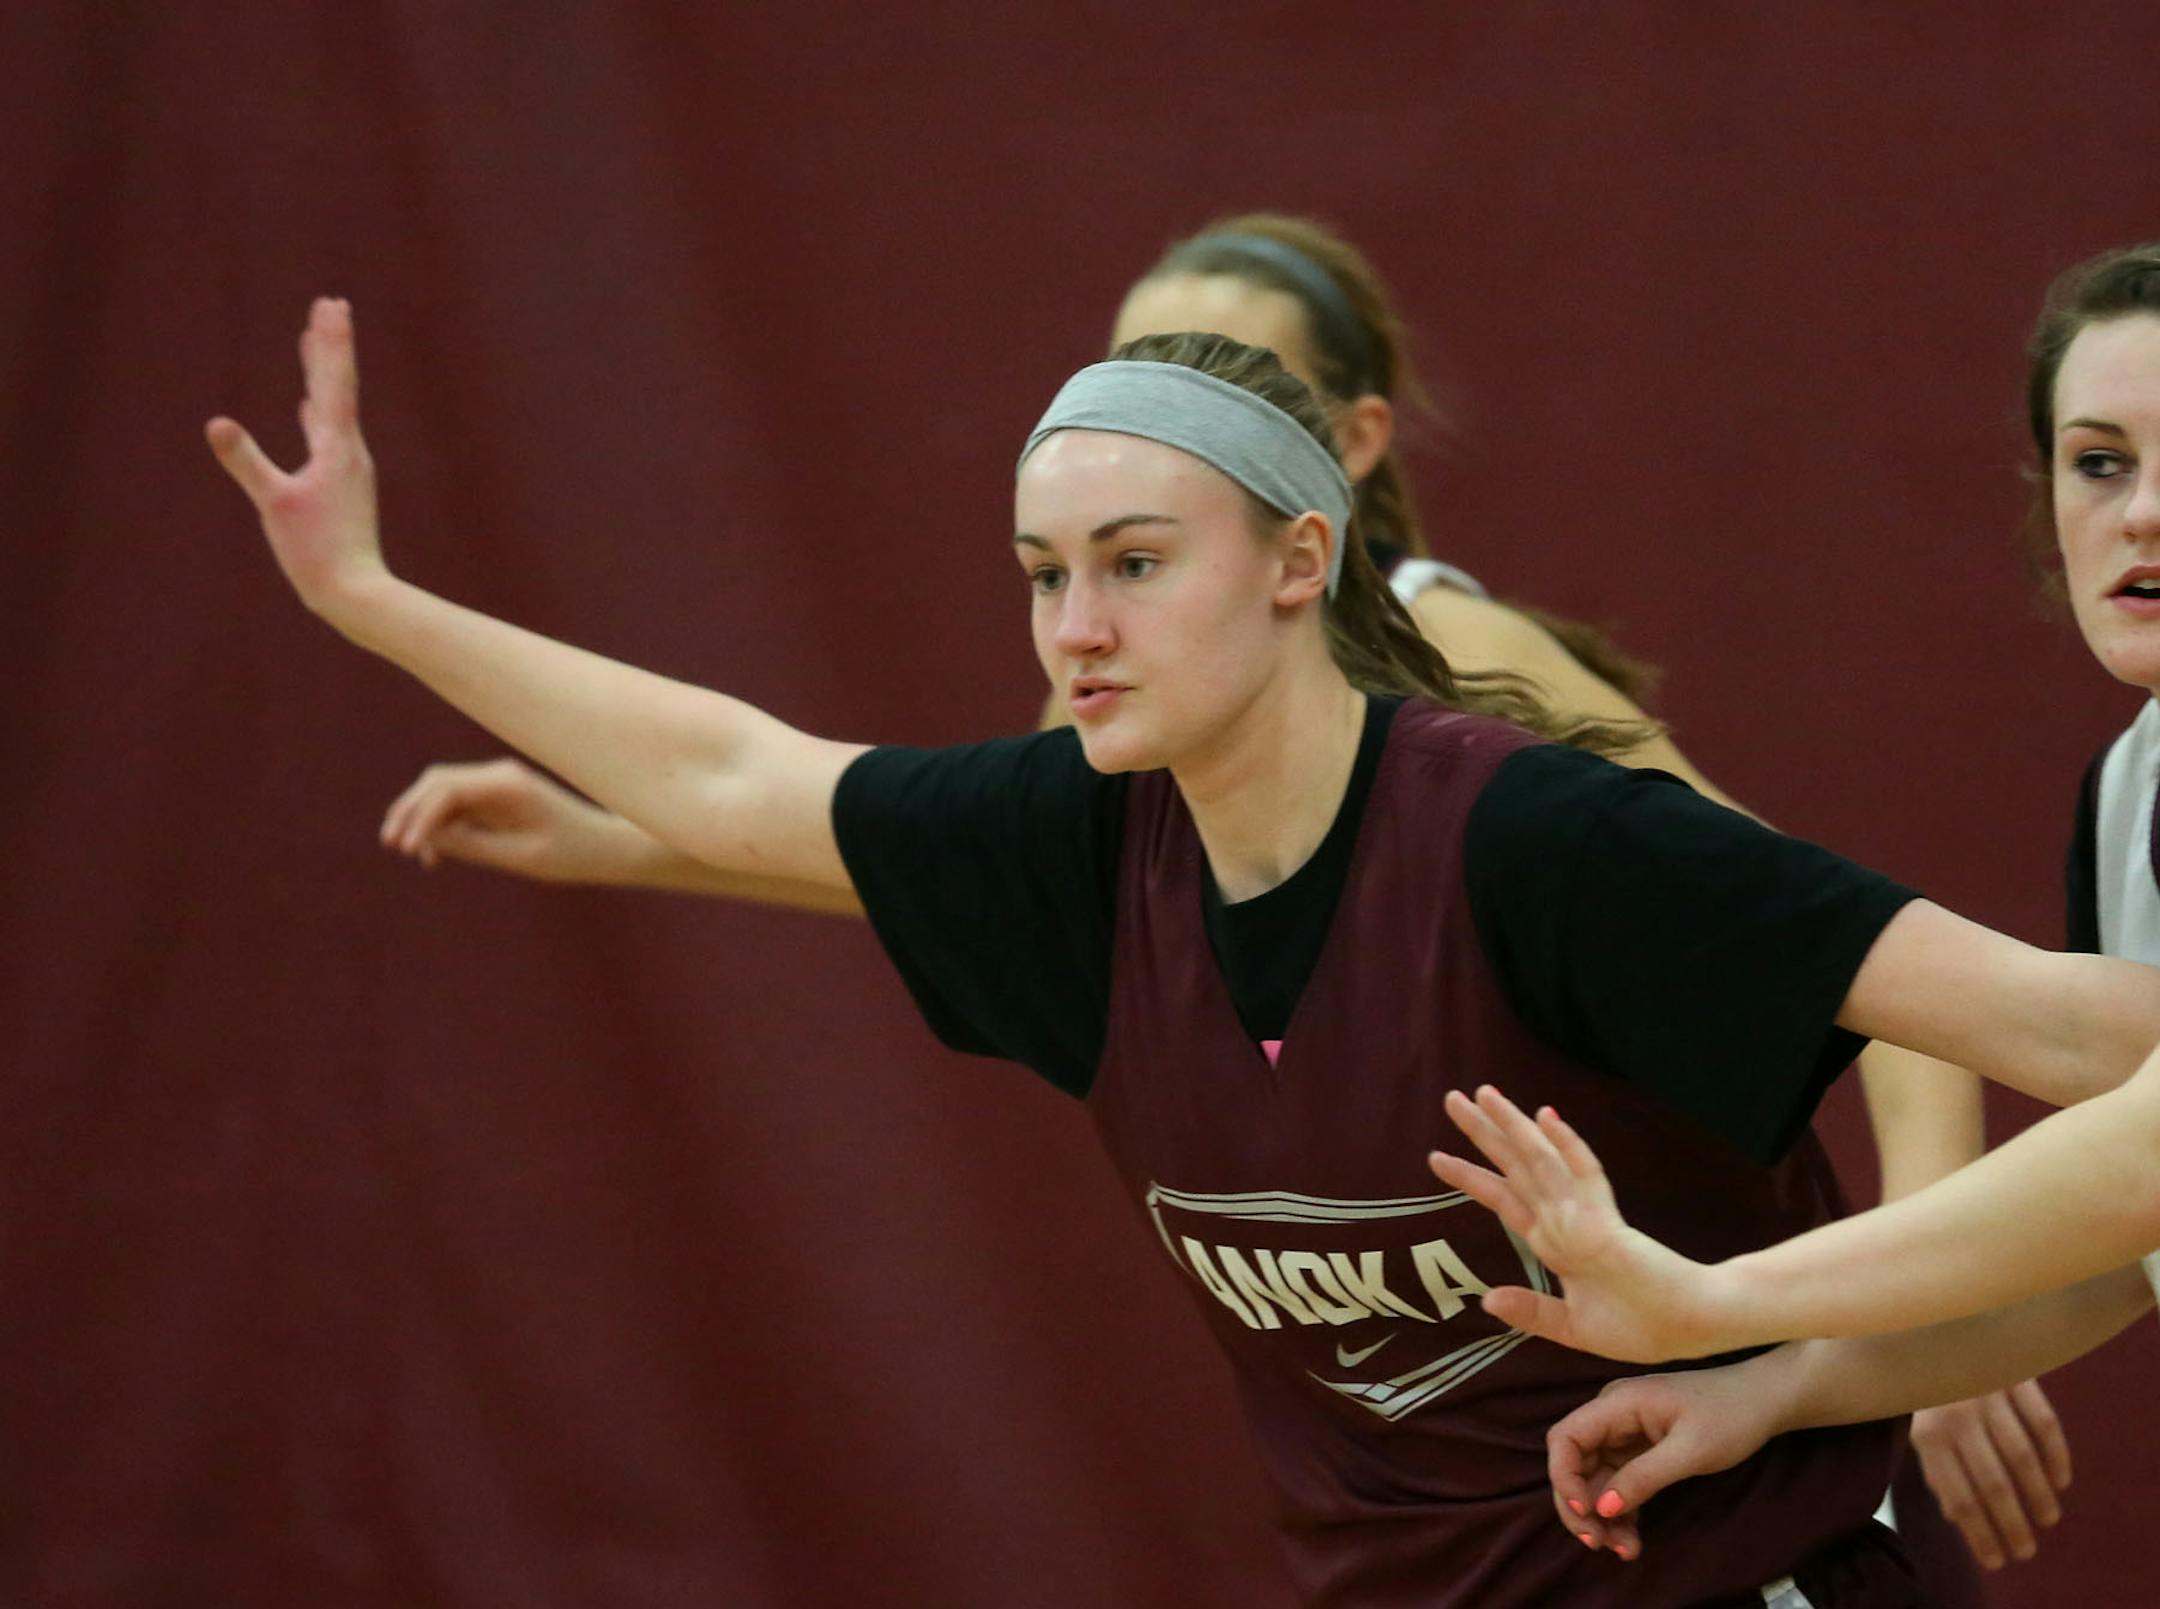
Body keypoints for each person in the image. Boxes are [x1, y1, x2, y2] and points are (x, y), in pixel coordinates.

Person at [212, 299, 2160, 1607]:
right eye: (1044, 576)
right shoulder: (1082, 846)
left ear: (1304, 561)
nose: (1074, 622)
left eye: (1135, 563)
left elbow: (2065, 1025)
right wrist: (375, 600)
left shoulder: (1540, 835)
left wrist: (1846, 1336)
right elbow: (742, 775)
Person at [1418, 241, 2160, 1569]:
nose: (2143, 511)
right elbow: (2129, 1247)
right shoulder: (2127, 791)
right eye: (2100, 461)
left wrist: (1712, 1301)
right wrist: (1776, 1386)